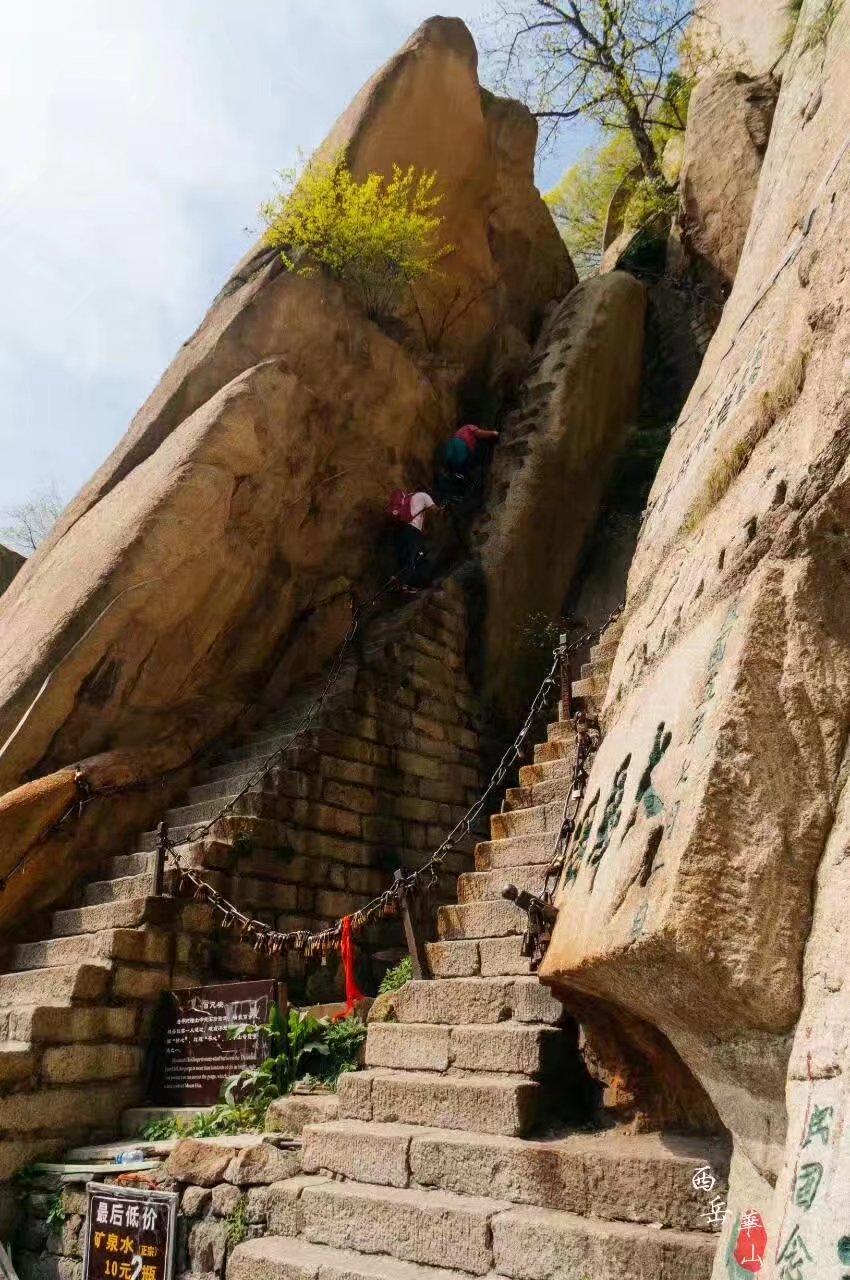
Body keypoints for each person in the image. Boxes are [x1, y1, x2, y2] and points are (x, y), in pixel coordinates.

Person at [387, 489, 438, 592]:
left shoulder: (408, 497)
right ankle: (410, 583)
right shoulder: (424, 496)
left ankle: (398, 578)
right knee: (417, 557)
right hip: (414, 531)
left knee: (405, 555)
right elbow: (435, 510)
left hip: (402, 531)